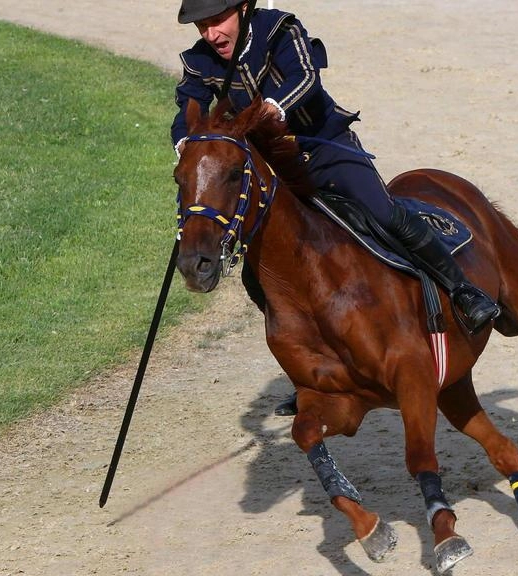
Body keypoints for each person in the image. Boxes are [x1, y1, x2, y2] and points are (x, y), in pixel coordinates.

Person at [172, 1, 500, 409]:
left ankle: (465, 292)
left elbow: (305, 77)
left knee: (383, 213)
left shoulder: (280, 29)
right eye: (202, 26)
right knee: (259, 274)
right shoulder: (198, 61)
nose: (211, 34)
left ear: (242, 7)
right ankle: (311, 363)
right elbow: (185, 110)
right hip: (272, 169)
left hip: (324, 148)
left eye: (216, 21)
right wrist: (187, 145)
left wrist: (272, 108)